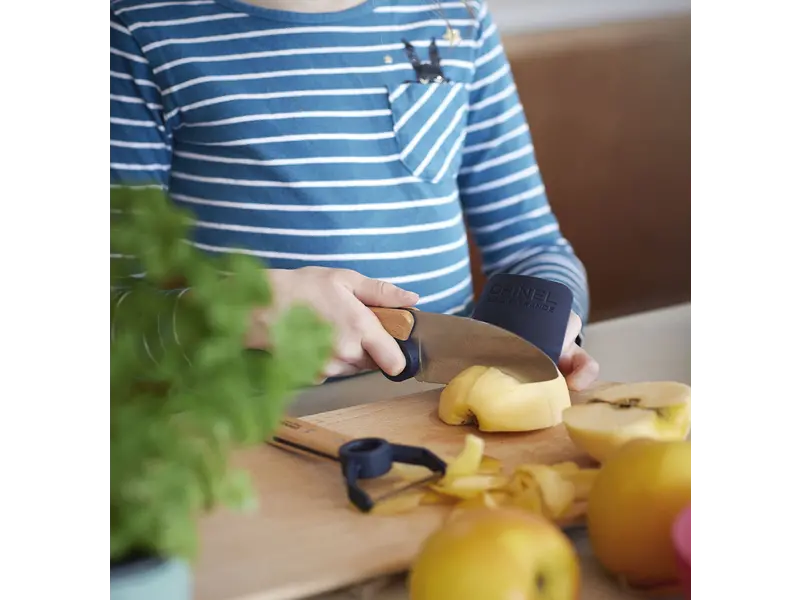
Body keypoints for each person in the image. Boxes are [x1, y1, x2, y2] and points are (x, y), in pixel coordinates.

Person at [109, 0, 599, 391]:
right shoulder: (139, 28)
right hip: (243, 429)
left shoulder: (458, 19)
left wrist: (553, 316)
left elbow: (533, 249)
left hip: (438, 407)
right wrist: (230, 313)